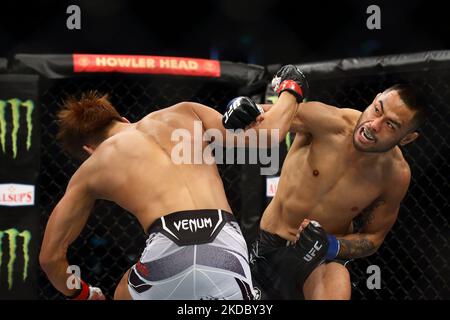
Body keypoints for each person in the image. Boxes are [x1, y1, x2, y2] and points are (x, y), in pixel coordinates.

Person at [39, 69, 304, 300]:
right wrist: (291, 86)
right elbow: (270, 135)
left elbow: (50, 259)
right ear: (123, 120)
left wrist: (83, 293)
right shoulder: (185, 112)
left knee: (124, 290)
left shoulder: (91, 168)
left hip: (164, 257)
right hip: (225, 250)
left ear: (88, 149)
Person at [249, 65, 427, 300]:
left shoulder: (395, 175)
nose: (374, 124)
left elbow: (373, 238)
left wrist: (331, 245)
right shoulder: (329, 122)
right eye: (377, 110)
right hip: (271, 244)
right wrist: (243, 109)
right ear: (374, 100)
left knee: (336, 286)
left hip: (320, 259)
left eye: (390, 125)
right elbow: (263, 118)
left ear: (407, 138)